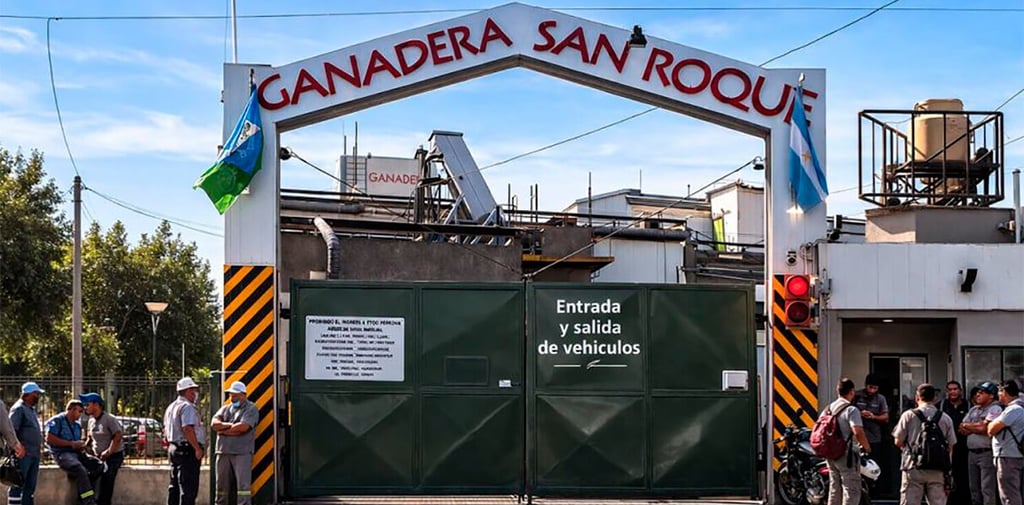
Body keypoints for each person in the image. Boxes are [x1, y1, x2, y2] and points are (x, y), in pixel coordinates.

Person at [893, 383, 957, 505]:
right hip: (937, 468)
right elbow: (951, 446)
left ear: (917, 397)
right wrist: (947, 468)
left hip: (912, 466)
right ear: (935, 398)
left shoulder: (908, 415)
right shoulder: (945, 418)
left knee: (910, 502)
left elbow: (898, 441)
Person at [824, 377, 872, 505]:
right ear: (852, 392)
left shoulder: (828, 408)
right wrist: (866, 447)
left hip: (830, 453)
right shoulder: (852, 410)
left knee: (835, 487)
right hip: (847, 454)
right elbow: (858, 431)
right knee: (851, 489)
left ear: (838, 391)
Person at [211, 381, 259, 505]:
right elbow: (214, 423)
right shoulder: (225, 408)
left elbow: (243, 427)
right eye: (231, 395)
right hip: (223, 451)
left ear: (244, 395)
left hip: (242, 452)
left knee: (243, 486)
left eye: (235, 395)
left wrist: (223, 431)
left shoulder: (251, 409)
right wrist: (231, 427)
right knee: (221, 484)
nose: (232, 398)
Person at [45, 399, 97, 505]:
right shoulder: (57, 421)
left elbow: (77, 442)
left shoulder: (77, 426)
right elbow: (49, 439)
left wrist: (81, 446)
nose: (81, 414)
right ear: (72, 410)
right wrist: (71, 444)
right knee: (80, 469)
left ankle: (83, 494)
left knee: (98, 466)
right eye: (79, 411)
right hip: (62, 454)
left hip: (76, 453)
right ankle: (88, 501)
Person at [164, 377, 206, 505]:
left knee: (174, 486)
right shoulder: (187, 407)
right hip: (187, 449)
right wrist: (197, 448)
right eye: (193, 390)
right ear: (187, 391)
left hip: (174, 448)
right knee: (188, 487)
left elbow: (165, 429)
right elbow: (187, 428)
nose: (195, 393)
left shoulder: (171, 407)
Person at [961, 382, 1002, 505]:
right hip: (972, 453)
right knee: (974, 488)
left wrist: (971, 426)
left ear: (991, 396)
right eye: (977, 392)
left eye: (982, 392)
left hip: (986, 452)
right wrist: (977, 426)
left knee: (987, 488)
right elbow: (961, 428)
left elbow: (985, 429)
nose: (977, 395)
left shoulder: (995, 408)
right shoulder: (974, 409)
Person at [80, 393, 123, 505]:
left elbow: (117, 436)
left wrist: (108, 452)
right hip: (98, 457)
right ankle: (88, 501)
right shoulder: (91, 420)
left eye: (87, 404)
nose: (85, 407)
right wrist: (84, 446)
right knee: (87, 475)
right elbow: (90, 437)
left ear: (96, 405)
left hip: (113, 456)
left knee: (107, 476)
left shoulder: (109, 419)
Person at [988, 380, 1024, 505]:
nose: (998, 395)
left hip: (1008, 456)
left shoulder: (1013, 410)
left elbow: (991, 429)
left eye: (999, 391)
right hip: (1018, 455)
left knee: (1009, 494)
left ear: (1004, 392)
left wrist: (992, 422)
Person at [8, 382, 44, 505]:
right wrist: (17, 446)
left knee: (30, 487)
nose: (38, 396)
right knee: (17, 485)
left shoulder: (30, 410)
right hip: (23, 455)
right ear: (28, 394)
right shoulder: (19, 409)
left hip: (33, 454)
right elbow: (11, 430)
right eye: (36, 394)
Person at [854, 374, 889, 497]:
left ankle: (874, 492)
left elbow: (886, 417)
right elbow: (848, 411)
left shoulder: (880, 399)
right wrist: (858, 414)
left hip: (874, 438)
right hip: (857, 437)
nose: (872, 390)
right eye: (870, 387)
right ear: (866, 385)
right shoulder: (856, 396)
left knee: (873, 465)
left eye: (875, 388)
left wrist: (873, 416)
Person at [942, 380, 971, 505]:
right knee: (948, 475)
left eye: (955, 389)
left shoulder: (968, 406)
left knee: (964, 475)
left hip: (964, 446)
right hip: (947, 447)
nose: (952, 392)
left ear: (960, 391)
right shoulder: (942, 406)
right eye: (950, 390)